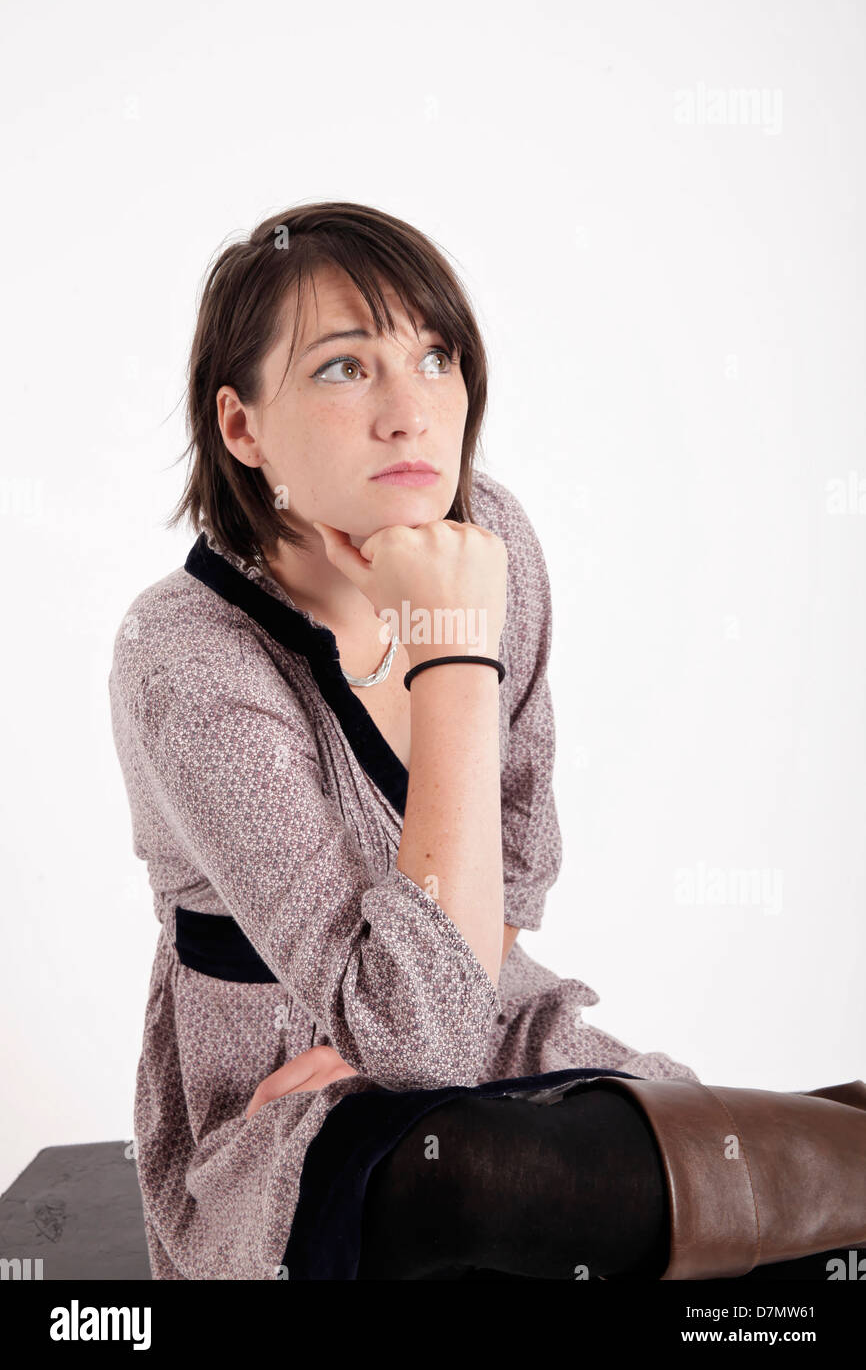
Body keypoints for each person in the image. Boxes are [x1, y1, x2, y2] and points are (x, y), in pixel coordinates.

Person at [109, 201, 866, 1281]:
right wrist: (451, 654)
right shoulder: (186, 655)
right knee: (470, 1177)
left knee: (689, 1188)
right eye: (342, 368)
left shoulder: (491, 535)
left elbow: (513, 877)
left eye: (433, 357)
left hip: (483, 1022)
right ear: (241, 428)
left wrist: (411, 1033)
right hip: (281, 1102)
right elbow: (415, 1044)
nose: (409, 411)